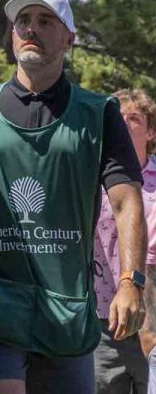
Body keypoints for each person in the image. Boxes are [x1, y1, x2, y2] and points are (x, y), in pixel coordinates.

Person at [0, 0, 147, 394]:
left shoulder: (98, 114)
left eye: (46, 21)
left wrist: (131, 281)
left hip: (67, 303)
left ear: (69, 39)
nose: (31, 28)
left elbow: (126, 200)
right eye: (23, 21)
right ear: (12, 34)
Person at [94, 89, 156, 393]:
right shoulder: (93, 178)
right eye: (119, 119)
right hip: (105, 317)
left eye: (135, 118)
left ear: (151, 130)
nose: (126, 124)